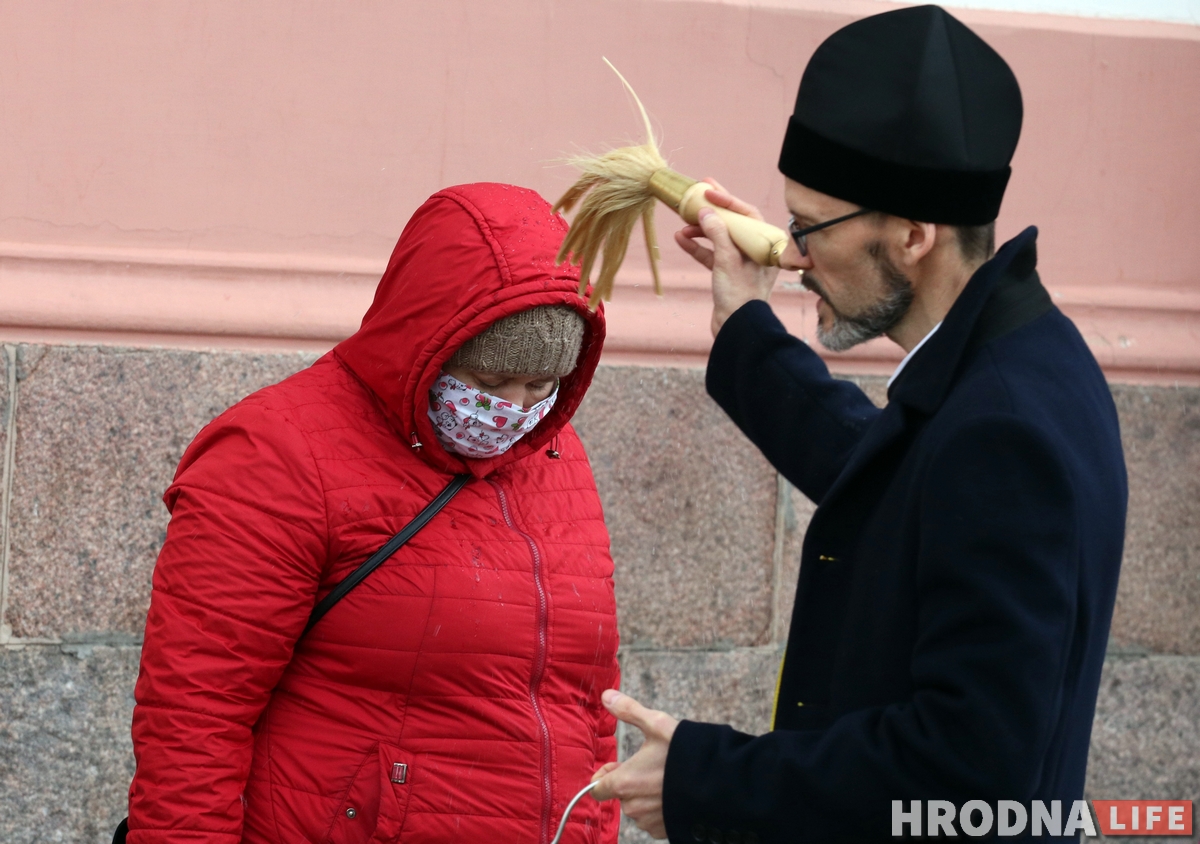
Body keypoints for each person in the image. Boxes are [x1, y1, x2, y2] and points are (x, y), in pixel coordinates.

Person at [590, 6, 1127, 842]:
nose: (793, 253)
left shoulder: (1005, 431)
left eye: (811, 226)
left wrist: (710, 781)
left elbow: (964, 770)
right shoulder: (1021, 360)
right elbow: (898, 479)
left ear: (914, 235)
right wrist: (747, 330)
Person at [126, 183, 621, 843]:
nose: (512, 408)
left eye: (541, 384)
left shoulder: (555, 453)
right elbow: (194, 715)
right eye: (489, 381)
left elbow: (586, 700)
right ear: (428, 341)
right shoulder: (276, 451)